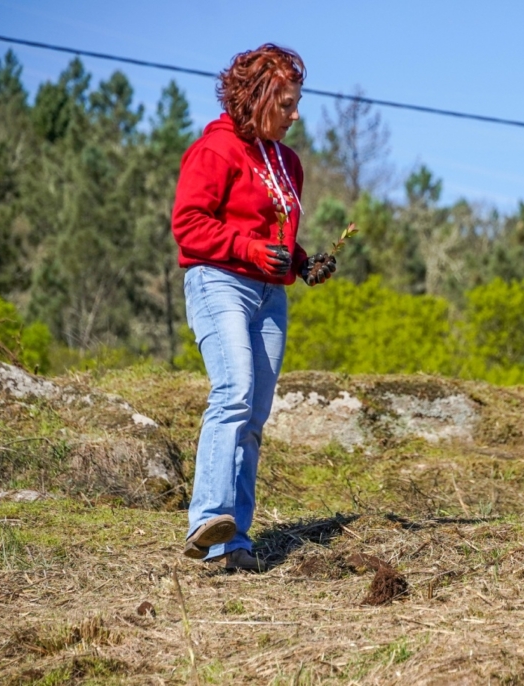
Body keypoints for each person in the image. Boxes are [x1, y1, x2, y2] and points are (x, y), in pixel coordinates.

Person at [171, 44, 336, 571]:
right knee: (234, 390)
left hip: (270, 293)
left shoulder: (287, 162)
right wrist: (251, 251)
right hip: (219, 281)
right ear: (259, 97)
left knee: (255, 416)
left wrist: (304, 263)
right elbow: (189, 225)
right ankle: (207, 517)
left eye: (296, 103)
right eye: (286, 104)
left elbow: (275, 239)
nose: (295, 114)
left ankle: (233, 540)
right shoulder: (214, 150)